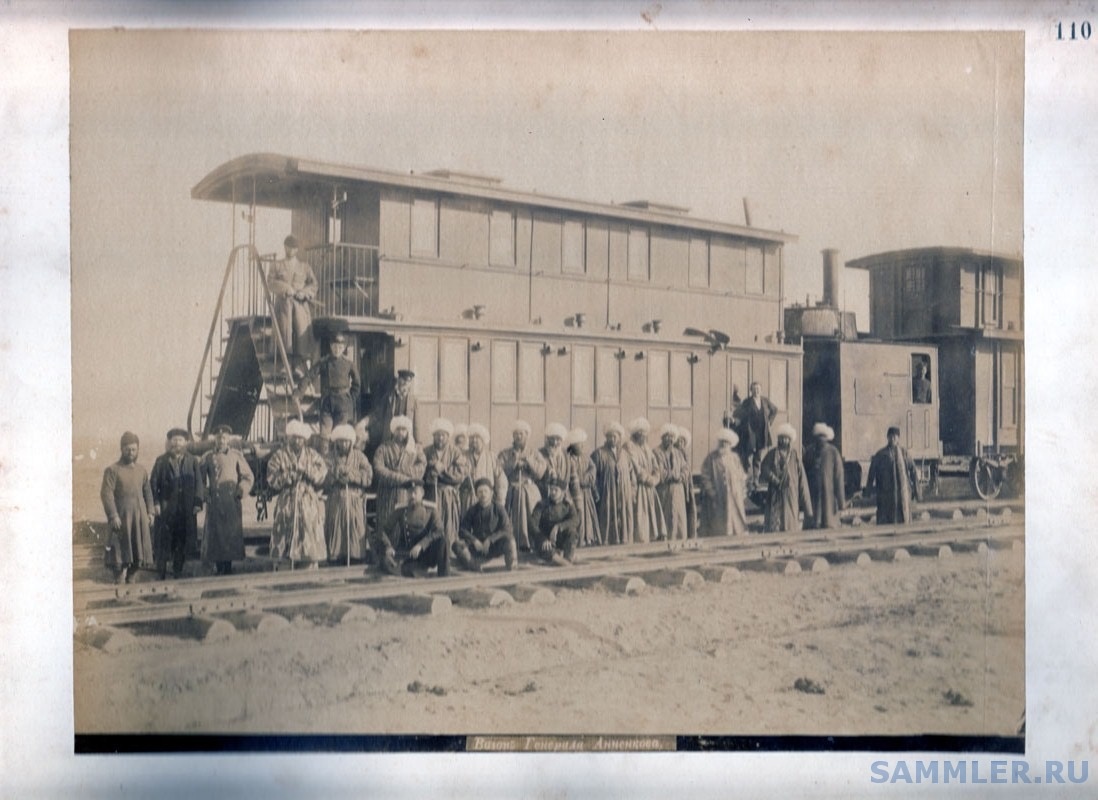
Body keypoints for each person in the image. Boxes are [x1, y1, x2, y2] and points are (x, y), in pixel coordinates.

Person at [267, 419, 328, 568]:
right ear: (289, 437)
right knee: (284, 531)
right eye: (294, 437)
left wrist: (308, 472)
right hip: (287, 500)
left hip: (307, 500)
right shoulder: (279, 456)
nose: (297, 440)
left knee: (309, 530)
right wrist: (288, 477)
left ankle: (309, 563)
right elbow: (271, 478)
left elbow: (323, 473)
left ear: (305, 439)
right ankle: (283, 564)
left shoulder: (312, 455)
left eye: (300, 438)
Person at [199, 424, 254, 576]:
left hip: (231, 501)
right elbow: (200, 479)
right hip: (215, 502)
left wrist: (241, 490)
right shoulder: (208, 457)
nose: (221, 440)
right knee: (216, 535)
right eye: (218, 438)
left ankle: (228, 567)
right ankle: (218, 567)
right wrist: (205, 494)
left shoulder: (236, 455)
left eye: (224, 438)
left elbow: (248, 476)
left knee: (230, 533)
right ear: (214, 439)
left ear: (228, 439)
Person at [100, 432, 155, 584]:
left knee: (138, 554)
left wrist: (151, 512)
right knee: (118, 555)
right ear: (121, 449)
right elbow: (106, 494)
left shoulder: (142, 470)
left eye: (133, 450)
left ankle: (131, 581)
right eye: (127, 449)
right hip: (121, 518)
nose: (130, 453)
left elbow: (148, 492)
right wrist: (113, 515)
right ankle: (118, 582)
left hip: (138, 518)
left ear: (137, 450)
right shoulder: (112, 470)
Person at [150, 428, 204, 580]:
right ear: (169, 442)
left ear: (185, 442)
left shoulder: (192, 461)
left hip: (185, 510)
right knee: (163, 543)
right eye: (174, 440)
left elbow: (199, 483)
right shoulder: (161, 461)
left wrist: (198, 502)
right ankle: (160, 573)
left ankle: (177, 572)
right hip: (166, 510)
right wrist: (155, 503)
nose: (177, 443)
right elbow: (153, 485)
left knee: (181, 542)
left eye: (180, 440)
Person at [372, 478, 450, 578]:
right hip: (407, 552)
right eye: (409, 493)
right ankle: (417, 571)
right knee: (386, 561)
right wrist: (388, 546)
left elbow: (439, 531)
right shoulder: (400, 510)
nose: (412, 496)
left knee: (443, 541)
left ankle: (444, 578)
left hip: (425, 553)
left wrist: (421, 545)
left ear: (422, 494)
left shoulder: (431, 509)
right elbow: (383, 530)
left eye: (415, 492)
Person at [267, 234, 318, 377]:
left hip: (300, 306)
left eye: (294, 248)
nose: (291, 250)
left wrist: (305, 293)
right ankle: (285, 364)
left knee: (301, 333)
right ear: (285, 247)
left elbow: (314, 284)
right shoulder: (276, 265)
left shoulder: (305, 267)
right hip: (283, 306)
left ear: (297, 249)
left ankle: (299, 366)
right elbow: (270, 282)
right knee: (284, 333)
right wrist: (284, 288)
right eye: (288, 247)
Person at [323, 424, 373, 564]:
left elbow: (369, 476)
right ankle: (335, 559)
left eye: (346, 441)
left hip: (354, 500)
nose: (343, 444)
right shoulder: (329, 457)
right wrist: (335, 474)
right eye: (340, 441)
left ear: (351, 441)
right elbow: (322, 478)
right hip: (336, 500)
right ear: (336, 441)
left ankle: (356, 558)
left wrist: (353, 476)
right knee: (336, 530)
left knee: (355, 530)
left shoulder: (360, 457)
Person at [297, 332, 360, 443]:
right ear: (331, 346)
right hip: (327, 402)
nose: (337, 349)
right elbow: (309, 376)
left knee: (340, 435)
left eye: (340, 347)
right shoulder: (323, 362)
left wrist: (350, 399)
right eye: (335, 346)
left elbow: (357, 383)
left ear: (344, 348)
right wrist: (299, 391)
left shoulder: (349, 364)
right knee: (324, 436)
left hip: (343, 404)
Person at [497, 420, 546, 551]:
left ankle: (532, 543)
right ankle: (515, 544)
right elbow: (499, 469)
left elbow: (541, 472)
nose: (519, 437)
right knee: (513, 518)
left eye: (522, 434)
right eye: (516, 434)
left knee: (532, 516)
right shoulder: (505, 453)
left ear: (527, 435)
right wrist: (513, 463)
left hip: (530, 490)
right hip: (513, 489)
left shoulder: (534, 453)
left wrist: (528, 462)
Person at [372, 415, 427, 531]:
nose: (401, 433)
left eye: (404, 430)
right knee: (386, 527)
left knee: (404, 526)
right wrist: (402, 478)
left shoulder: (415, 449)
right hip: (387, 494)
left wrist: (403, 471)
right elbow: (379, 469)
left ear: (408, 431)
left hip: (406, 494)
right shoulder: (383, 448)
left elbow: (422, 466)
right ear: (393, 431)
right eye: (398, 429)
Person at [453, 477, 517, 572]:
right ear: (476, 494)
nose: (483, 494)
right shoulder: (472, 510)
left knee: (510, 541)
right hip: (477, 547)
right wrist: (474, 541)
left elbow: (507, 529)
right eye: (480, 492)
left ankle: (512, 570)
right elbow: (462, 530)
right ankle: (475, 567)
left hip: (494, 546)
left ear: (491, 493)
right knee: (457, 545)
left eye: (485, 491)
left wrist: (491, 540)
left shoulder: (498, 508)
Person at [423, 418, 469, 546]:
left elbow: (460, 474)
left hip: (448, 495)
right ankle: (431, 551)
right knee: (432, 522)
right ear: (433, 436)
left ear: (448, 436)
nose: (440, 438)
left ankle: (449, 550)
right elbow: (420, 470)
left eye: (443, 435)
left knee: (449, 523)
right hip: (431, 493)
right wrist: (430, 470)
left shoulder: (456, 452)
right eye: (437, 435)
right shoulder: (426, 452)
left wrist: (443, 470)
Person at [759, 422, 812, 533]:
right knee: (774, 529)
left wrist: (808, 510)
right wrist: (774, 479)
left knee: (789, 525)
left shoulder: (795, 456)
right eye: (781, 438)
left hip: (790, 497)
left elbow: (803, 483)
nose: (783, 440)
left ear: (790, 440)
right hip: (774, 497)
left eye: (786, 438)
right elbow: (764, 468)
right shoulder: (772, 454)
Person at [865, 426, 921, 524]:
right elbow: (871, 473)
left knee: (903, 516)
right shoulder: (881, 454)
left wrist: (917, 491)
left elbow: (913, 472)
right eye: (891, 436)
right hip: (886, 493)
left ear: (898, 438)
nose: (893, 439)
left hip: (902, 494)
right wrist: (868, 491)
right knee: (886, 518)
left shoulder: (904, 454)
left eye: (895, 437)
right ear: (887, 437)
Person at [590, 421, 634, 545]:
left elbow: (632, 474)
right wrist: (596, 493)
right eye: (610, 436)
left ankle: (623, 540)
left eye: (615, 436)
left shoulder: (625, 454)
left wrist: (632, 491)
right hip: (607, 494)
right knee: (607, 516)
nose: (612, 439)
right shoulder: (599, 454)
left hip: (623, 493)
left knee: (624, 516)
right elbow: (593, 476)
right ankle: (606, 541)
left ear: (620, 437)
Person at [625, 418, 667, 543]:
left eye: (644, 433)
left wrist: (656, 477)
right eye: (640, 433)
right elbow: (635, 467)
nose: (642, 436)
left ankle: (650, 537)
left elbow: (655, 465)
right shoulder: (629, 447)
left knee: (651, 515)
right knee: (640, 515)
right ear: (635, 434)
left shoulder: (647, 448)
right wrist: (649, 479)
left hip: (649, 487)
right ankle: (641, 539)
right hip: (639, 488)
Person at [699, 428, 748, 537]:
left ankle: (735, 534)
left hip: (734, 495)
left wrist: (742, 491)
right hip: (718, 494)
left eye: (726, 443)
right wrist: (711, 491)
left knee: (735, 516)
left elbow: (741, 475)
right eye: (722, 442)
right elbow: (705, 475)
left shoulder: (734, 458)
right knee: (719, 519)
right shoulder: (711, 458)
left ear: (730, 445)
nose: (723, 445)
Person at [730, 381, 778, 483]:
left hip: (761, 433)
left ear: (761, 390)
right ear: (751, 391)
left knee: (758, 456)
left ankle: (756, 479)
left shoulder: (765, 401)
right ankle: (746, 478)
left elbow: (774, 410)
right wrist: (734, 420)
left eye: (758, 389)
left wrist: (769, 421)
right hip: (750, 433)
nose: (756, 391)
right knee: (747, 455)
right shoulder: (747, 402)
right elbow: (740, 414)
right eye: (754, 389)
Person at [804, 423, 846, 530]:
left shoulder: (833, 452)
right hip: (813, 492)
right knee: (814, 520)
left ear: (827, 438)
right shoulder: (809, 452)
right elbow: (803, 475)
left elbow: (839, 477)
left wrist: (841, 501)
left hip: (829, 492)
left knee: (828, 518)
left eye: (823, 437)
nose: (821, 440)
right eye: (818, 437)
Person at [529, 477, 579, 566]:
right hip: (545, 539)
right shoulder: (542, 505)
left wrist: (558, 527)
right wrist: (542, 539)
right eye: (551, 489)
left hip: (559, 539)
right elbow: (532, 524)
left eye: (556, 490)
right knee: (546, 549)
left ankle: (567, 559)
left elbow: (575, 520)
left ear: (563, 492)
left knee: (572, 532)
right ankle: (566, 564)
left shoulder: (567, 504)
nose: (552, 492)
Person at [368, 368, 420, 452]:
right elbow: (378, 415)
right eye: (403, 380)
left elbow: (417, 423)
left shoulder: (413, 400)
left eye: (408, 381)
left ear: (410, 384)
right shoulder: (389, 397)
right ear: (398, 380)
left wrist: (418, 442)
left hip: (406, 437)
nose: (405, 383)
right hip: (390, 436)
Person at [460, 423, 508, 515]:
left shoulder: (491, 457)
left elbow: (501, 480)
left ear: (483, 440)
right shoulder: (463, 456)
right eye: (472, 438)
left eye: (477, 438)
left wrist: (500, 500)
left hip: (486, 498)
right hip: (467, 498)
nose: (474, 440)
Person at [565, 428, 601, 546]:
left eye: (582, 444)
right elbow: (570, 476)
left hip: (586, 492)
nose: (581, 447)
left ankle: (588, 537)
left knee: (588, 517)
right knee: (577, 515)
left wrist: (586, 478)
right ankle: (577, 539)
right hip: (574, 493)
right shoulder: (568, 459)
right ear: (573, 446)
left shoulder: (586, 458)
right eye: (578, 445)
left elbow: (593, 469)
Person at [653, 423, 689, 541]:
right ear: (662, 437)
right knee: (665, 515)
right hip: (664, 490)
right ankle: (664, 540)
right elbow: (659, 470)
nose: (670, 439)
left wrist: (682, 476)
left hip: (678, 490)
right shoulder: (656, 452)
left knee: (678, 517)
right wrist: (673, 475)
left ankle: (678, 539)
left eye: (672, 437)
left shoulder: (678, 453)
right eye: (667, 436)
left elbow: (685, 468)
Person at [538, 422, 572, 499]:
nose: (554, 442)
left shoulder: (566, 455)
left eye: (558, 439)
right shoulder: (539, 453)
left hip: (563, 497)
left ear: (562, 440)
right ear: (547, 439)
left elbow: (572, 477)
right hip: (545, 496)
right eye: (552, 439)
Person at [676, 427, 699, 539]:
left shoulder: (685, 454)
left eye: (682, 441)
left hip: (687, 485)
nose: (680, 443)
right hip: (680, 485)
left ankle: (690, 533)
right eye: (678, 441)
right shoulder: (675, 453)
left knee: (689, 508)